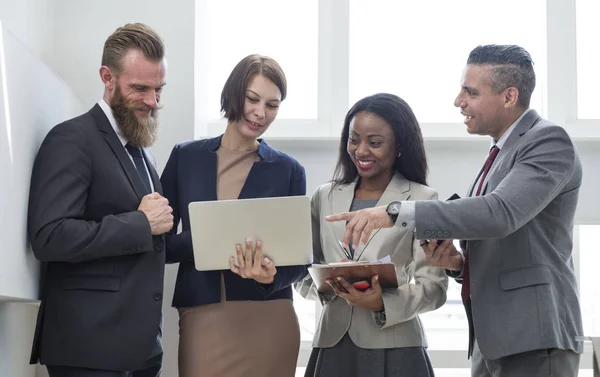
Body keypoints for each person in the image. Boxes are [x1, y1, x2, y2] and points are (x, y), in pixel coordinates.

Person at [327, 44, 583, 377]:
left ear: (509, 97)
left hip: (534, 336)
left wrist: (393, 213)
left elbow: (498, 213)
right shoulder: (500, 154)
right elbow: (503, 238)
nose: (458, 100)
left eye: (470, 92)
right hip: (494, 340)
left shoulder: (548, 141)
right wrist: (459, 265)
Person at [27, 23, 171, 377]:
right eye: (140, 88)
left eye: (158, 89)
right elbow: (50, 236)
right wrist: (140, 222)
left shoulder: (142, 151)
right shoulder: (72, 139)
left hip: (140, 350)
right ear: (107, 77)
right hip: (89, 349)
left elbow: (151, 244)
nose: (152, 101)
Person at [160, 54, 308, 377]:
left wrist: (271, 277)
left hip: (270, 319)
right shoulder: (185, 158)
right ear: (233, 93)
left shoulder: (289, 171)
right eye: (252, 99)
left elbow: (300, 261)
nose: (260, 112)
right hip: (203, 316)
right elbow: (159, 242)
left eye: (272, 105)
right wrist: (207, 239)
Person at [295, 93, 448, 377]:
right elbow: (302, 274)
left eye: (375, 143)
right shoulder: (324, 196)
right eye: (354, 140)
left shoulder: (422, 199)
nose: (361, 151)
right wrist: (327, 288)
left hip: (396, 345)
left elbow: (434, 288)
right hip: (333, 342)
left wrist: (381, 302)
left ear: (399, 145)